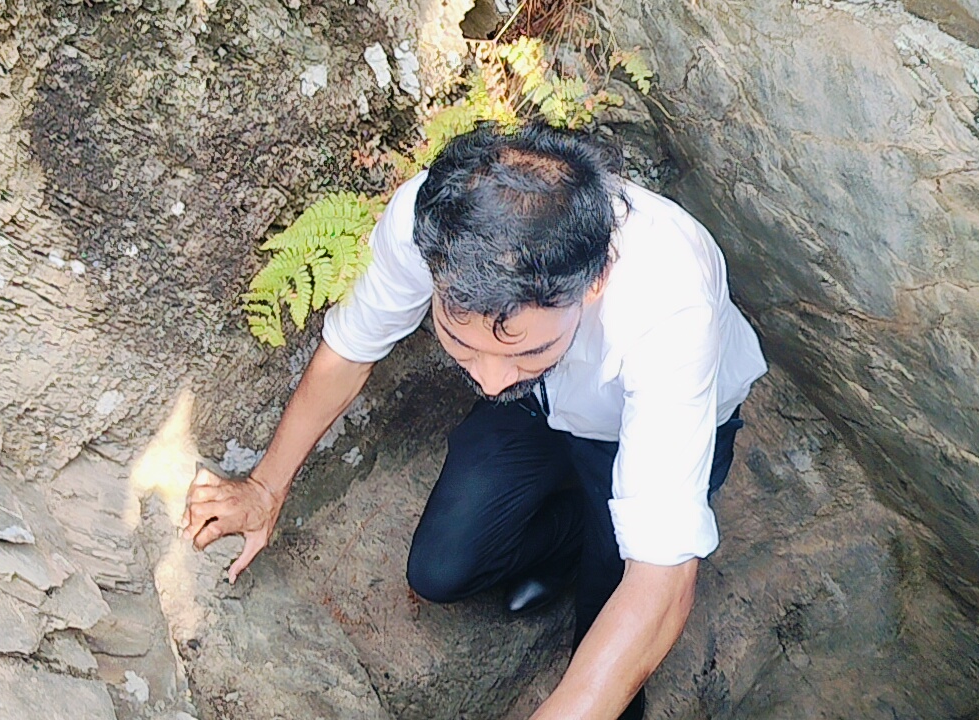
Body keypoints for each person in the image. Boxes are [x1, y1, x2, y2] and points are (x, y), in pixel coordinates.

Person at [181, 123, 767, 719]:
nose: (487, 381)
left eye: (525, 349)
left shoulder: (667, 298)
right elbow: (351, 348)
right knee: (441, 570)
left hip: (644, 425)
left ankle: (598, 546)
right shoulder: (434, 222)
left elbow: (660, 586)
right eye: (462, 345)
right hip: (538, 402)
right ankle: (579, 533)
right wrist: (264, 488)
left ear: (593, 283)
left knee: (609, 619)